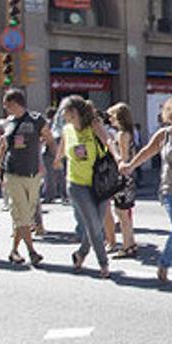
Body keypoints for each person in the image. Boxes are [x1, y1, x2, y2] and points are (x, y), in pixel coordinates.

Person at [121, 96, 172, 284]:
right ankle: (164, 262)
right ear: (171, 116)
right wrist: (130, 166)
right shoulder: (165, 135)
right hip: (170, 189)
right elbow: (147, 151)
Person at [53, 95, 119, 279]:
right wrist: (57, 160)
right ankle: (103, 263)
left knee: (97, 225)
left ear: (74, 112)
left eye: (65, 112)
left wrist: (119, 158)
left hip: (100, 183)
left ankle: (81, 253)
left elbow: (108, 141)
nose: (63, 116)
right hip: (76, 184)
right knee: (92, 225)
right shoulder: (67, 130)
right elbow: (62, 146)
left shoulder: (94, 126)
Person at [0, 89, 54, 266]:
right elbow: (5, 145)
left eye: (7, 104)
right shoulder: (8, 123)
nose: (5, 108)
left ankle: (13, 251)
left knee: (24, 215)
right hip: (12, 172)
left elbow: (48, 138)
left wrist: (55, 158)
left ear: (15, 103)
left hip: (32, 172)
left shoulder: (36, 119)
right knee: (23, 214)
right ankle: (32, 251)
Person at [104, 102, 139, 259]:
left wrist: (112, 147)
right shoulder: (129, 133)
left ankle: (126, 245)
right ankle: (130, 243)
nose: (110, 119)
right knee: (124, 213)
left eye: (112, 116)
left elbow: (123, 158)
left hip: (122, 177)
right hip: (129, 176)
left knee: (121, 213)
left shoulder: (121, 135)